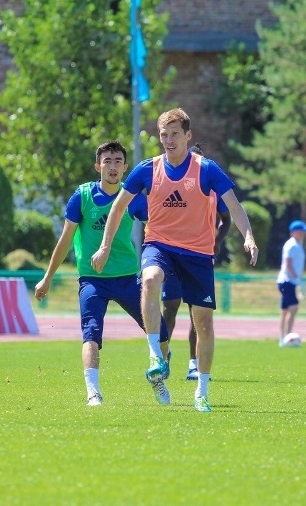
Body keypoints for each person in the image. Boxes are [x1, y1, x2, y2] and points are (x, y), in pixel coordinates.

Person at [91, 108, 258, 412]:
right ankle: (156, 354)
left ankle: (201, 392)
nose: (169, 140)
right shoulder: (147, 169)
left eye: (175, 134)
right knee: (150, 278)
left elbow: (234, 207)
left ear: (188, 136)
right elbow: (117, 208)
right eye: (164, 135)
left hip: (198, 254)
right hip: (160, 245)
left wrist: (248, 237)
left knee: (203, 323)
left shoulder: (207, 169)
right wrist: (104, 246)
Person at [34, 141, 170, 407]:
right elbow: (65, 240)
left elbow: (157, 229)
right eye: (107, 161)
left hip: (128, 277)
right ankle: (93, 392)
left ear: (125, 167)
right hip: (92, 280)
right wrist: (47, 278)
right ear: (98, 166)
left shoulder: (132, 197)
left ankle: (158, 376)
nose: (113, 166)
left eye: (118, 161)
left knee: (162, 332)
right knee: (91, 334)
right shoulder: (83, 196)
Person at [160, 144, 231, 381]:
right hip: (173, 256)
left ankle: (194, 363)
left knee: (197, 313)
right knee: (169, 308)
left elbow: (227, 219)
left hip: (200, 256)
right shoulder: (173, 184)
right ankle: (163, 355)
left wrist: (217, 242)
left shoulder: (212, 190)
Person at [277, 220, 306, 346]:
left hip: (289, 281)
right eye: (302, 231)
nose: (304, 233)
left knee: (285, 310)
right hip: (287, 281)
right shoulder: (291, 245)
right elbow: (288, 263)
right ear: (295, 232)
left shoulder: (297, 244)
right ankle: (287, 337)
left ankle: (282, 338)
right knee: (293, 307)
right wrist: (297, 278)